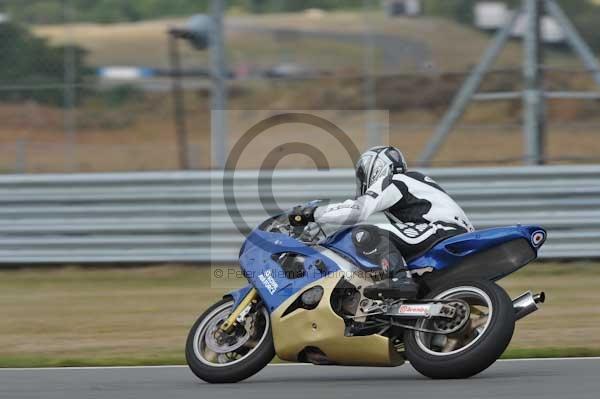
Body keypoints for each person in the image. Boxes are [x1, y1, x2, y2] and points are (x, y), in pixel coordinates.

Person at [289, 146, 474, 299]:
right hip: (449, 233)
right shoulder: (413, 183)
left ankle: (399, 281)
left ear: (375, 167)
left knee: (364, 233)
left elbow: (356, 212)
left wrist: (312, 212)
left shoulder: (394, 181)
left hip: (443, 231)